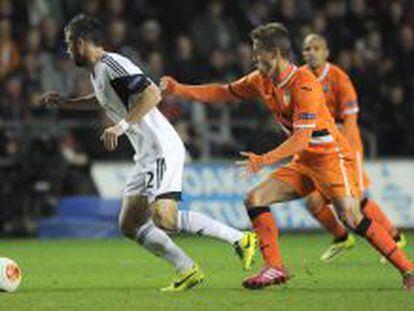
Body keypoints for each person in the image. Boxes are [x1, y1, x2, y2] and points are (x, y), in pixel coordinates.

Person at [160, 22, 414, 290]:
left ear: (276, 53)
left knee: (351, 217)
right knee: (255, 199)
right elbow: (223, 92)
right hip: (304, 160)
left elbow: (302, 137)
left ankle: (408, 270)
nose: (253, 57)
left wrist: (264, 159)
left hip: (331, 158)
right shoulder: (261, 80)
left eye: (258, 52)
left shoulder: (304, 84)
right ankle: (274, 267)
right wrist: (178, 90)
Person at [37, 14, 257, 292]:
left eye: (69, 45)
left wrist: (121, 125)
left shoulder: (113, 64)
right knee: (129, 223)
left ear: (81, 43)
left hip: (161, 148)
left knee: (164, 218)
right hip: (145, 154)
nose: (68, 51)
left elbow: (153, 94)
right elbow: (102, 100)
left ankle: (240, 239)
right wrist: (66, 103)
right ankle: (186, 269)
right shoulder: (97, 72)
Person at [301, 33, 406, 263]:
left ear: (326, 52)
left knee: (354, 202)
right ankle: (341, 238)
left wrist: (340, 145)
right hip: (317, 151)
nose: (311, 53)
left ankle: (394, 237)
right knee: (312, 201)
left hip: (345, 148)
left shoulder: (338, 78)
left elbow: (350, 118)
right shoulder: (301, 78)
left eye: (316, 48)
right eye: (307, 49)